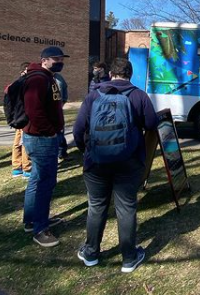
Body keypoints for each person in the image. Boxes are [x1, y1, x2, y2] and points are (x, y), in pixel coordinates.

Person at [73, 57, 159, 273]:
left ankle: (91, 253)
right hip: (129, 163)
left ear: (110, 74)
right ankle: (129, 258)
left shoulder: (93, 96)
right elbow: (151, 124)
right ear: (130, 74)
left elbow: (77, 130)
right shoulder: (139, 95)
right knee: (126, 208)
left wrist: (87, 152)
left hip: (97, 162)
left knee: (96, 206)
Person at [22, 46, 68, 248]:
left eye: (61, 58)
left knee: (37, 179)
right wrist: (49, 131)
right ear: (45, 60)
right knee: (45, 183)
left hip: (45, 137)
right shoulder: (38, 79)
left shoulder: (47, 78)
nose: (60, 61)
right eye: (56, 58)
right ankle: (40, 229)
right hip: (41, 139)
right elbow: (34, 111)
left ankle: (31, 220)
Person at [11, 62, 32, 178]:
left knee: (17, 142)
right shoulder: (25, 84)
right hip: (24, 116)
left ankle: (16, 167)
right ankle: (27, 168)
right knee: (25, 142)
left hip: (16, 117)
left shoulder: (15, 84)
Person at [54, 72, 70, 162]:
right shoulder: (42, 77)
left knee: (60, 131)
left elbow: (64, 88)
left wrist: (63, 101)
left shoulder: (59, 78)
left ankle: (62, 153)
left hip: (58, 109)